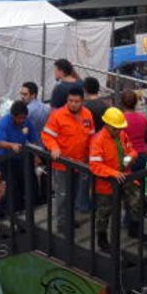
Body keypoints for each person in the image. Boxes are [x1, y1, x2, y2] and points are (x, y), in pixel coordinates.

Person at [89, 107, 145, 250]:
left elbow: (131, 150)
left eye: (120, 128)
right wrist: (114, 173)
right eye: (116, 128)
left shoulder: (122, 135)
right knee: (104, 211)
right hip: (106, 183)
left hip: (124, 176)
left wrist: (131, 157)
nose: (118, 131)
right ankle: (102, 240)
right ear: (107, 125)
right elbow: (95, 165)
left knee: (136, 200)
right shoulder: (98, 141)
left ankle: (134, 229)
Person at [42, 84, 94, 218]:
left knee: (75, 193)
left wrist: (91, 156)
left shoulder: (87, 114)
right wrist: (54, 147)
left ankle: (70, 218)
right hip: (62, 164)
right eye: (70, 101)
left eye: (76, 101)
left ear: (82, 101)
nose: (73, 104)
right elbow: (47, 136)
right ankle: (62, 221)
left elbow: (92, 137)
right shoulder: (57, 116)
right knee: (63, 193)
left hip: (80, 164)